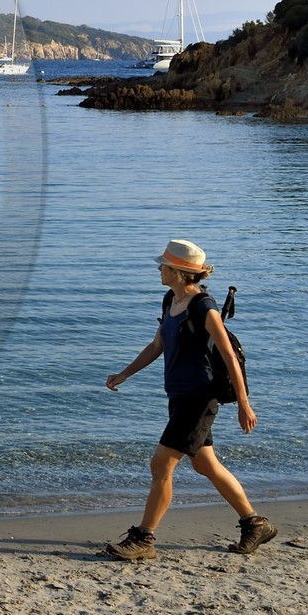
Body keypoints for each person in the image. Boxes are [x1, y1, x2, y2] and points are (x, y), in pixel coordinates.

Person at [103, 239, 276, 560]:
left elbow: (229, 356)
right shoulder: (170, 299)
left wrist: (244, 403)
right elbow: (157, 346)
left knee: (161, 464)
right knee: (204, 463)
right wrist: (125, 373)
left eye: (164, 265)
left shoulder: (204, 307)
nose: (159, 269)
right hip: (179, 396)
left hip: (199, 398)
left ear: (179, 272)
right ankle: (256, 524)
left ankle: (143, 538)